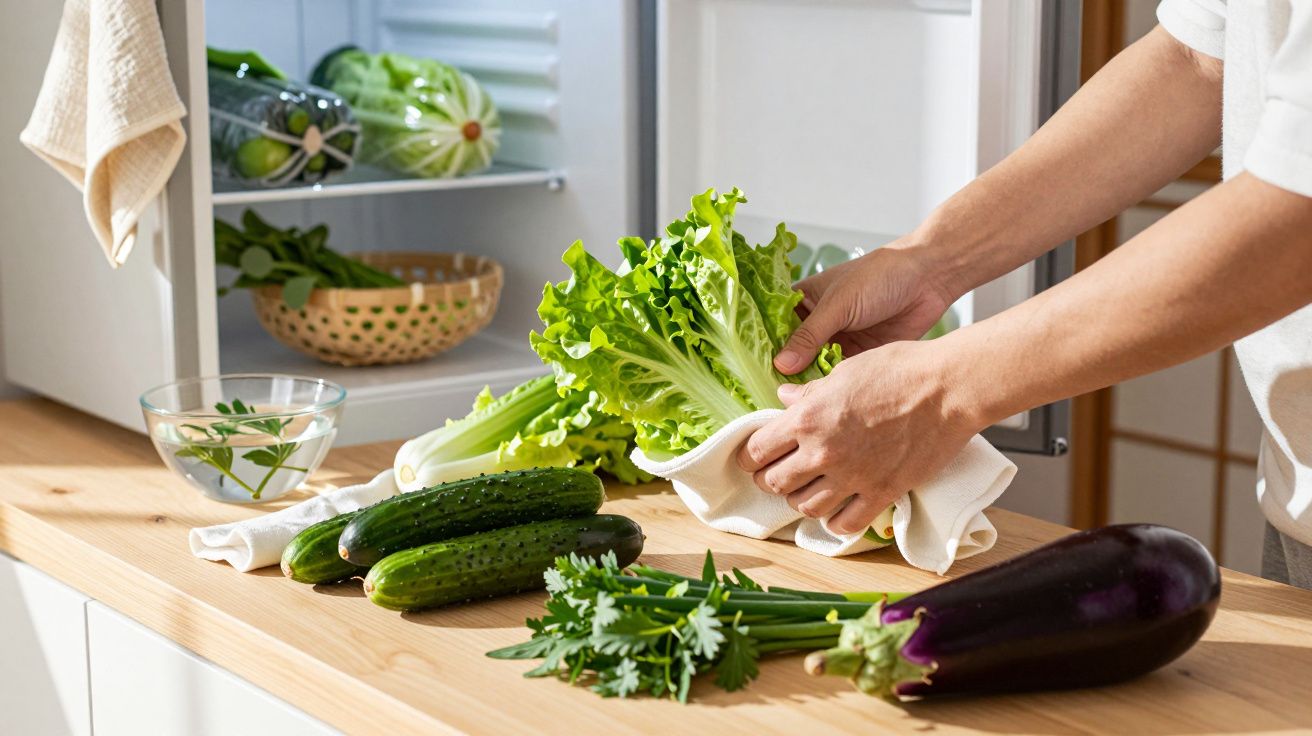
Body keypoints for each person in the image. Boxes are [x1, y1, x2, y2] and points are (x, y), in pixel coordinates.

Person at [736, 2, 1312, 588]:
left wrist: (942, 390)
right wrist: (929, 262)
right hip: (1298, 490)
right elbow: (1200, 56)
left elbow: (1296, 224)